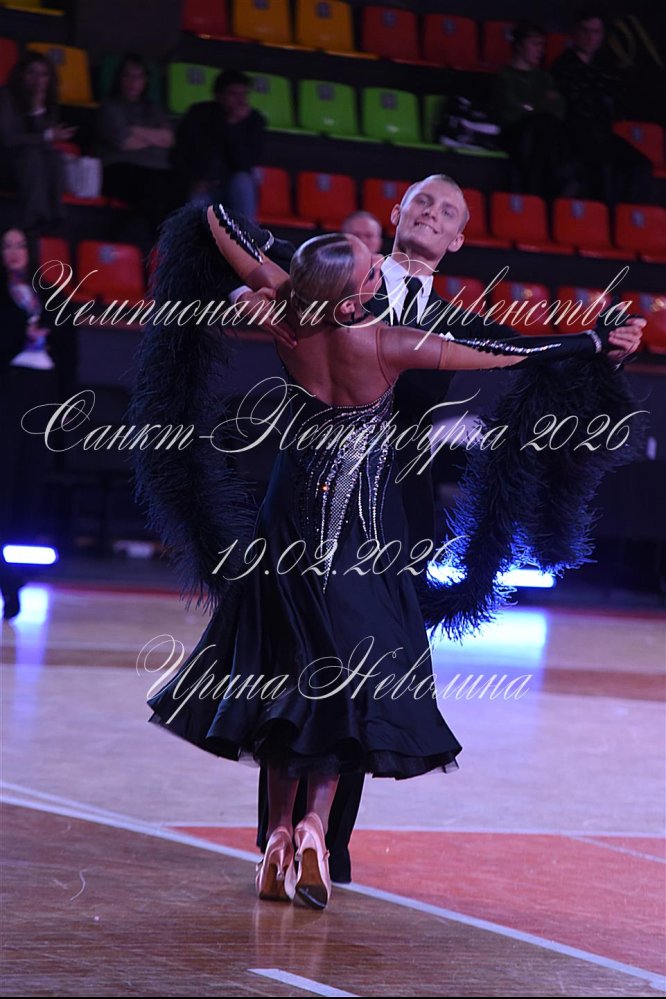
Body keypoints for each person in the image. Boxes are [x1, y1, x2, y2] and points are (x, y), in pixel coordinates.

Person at [139, 202, 644, 910]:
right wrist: (590, 341)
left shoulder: (287, 315)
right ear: (354, 295)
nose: (380, 268)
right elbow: (514, 355)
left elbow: (227, 232)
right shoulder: (391, 343)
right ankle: (316, 828)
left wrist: (230, 227)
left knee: (284, 675)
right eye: (370, 268)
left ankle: (278, 836)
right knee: (352, 682)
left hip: (286, 529)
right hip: (362, 538)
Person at [0, 228, 62, 619]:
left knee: (31, 480)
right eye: (6, 246)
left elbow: (68, 346)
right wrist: (20, 335)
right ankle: (7, 578)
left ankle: (17, 572)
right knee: (5, 483)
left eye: (20, 245)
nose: (13, 252)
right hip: (9, 387)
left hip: (44, 391)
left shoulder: (49, 292)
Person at [551, 9, 653, 207]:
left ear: (602, 35)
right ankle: (606, 218)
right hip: (575, 134)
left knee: (642, 165)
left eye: (595, 32)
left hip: (603, 133)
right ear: (576, 32)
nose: (590, 37)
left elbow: (616, 103)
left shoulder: (607, 67)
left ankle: (629, 217)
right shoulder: (562, 66)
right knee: (605, 166)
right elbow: (570, 106)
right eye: (586, 30)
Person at [491, 22, 578, 199]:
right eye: (535, 44)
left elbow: (558, 109)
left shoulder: (544, 78)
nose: (541, 50)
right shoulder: (505, 76)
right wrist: (541, 104)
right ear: (519, 45)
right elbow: (510, 112)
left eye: (542, 45)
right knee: (541, 126)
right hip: (517, 134)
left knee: (550, 127)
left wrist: (530, 106)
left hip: (544, 136)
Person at [96, 53, 175, 231]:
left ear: (145, 81)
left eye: (138, 76)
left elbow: (169, 138)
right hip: (121, 169)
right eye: (128, 75)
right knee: (152, 191)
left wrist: (134, 129)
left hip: (159, 170)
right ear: (119, 78)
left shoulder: (153, 109)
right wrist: (154, 138)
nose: (133, 81)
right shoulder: (110, 107)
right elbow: (124, 142)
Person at [173, 69, 265, 219]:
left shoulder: (254, 120)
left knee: (243, 181)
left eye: (244, 94)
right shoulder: (199, 114)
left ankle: (245, 232)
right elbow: (185, 153)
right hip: (201, 182)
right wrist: (197, 179)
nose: (241, 100)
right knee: (196, 203)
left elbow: (245, 163)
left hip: (233, 184)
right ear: (219, 95)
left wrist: (233, 126)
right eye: (233, 94)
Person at [0, 52, 76, 232]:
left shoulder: (47, 103)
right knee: (32, 155)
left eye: (43, 74)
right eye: (31, 72)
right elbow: (8, 140)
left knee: (54, 157)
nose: (37, 80)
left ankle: (56, 215)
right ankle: (34, 218)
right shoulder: (5, 97)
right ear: (21, 74)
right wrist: (48, 135)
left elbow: (44, 144)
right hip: (5, 163)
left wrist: (37, 108)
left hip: (28, 170)